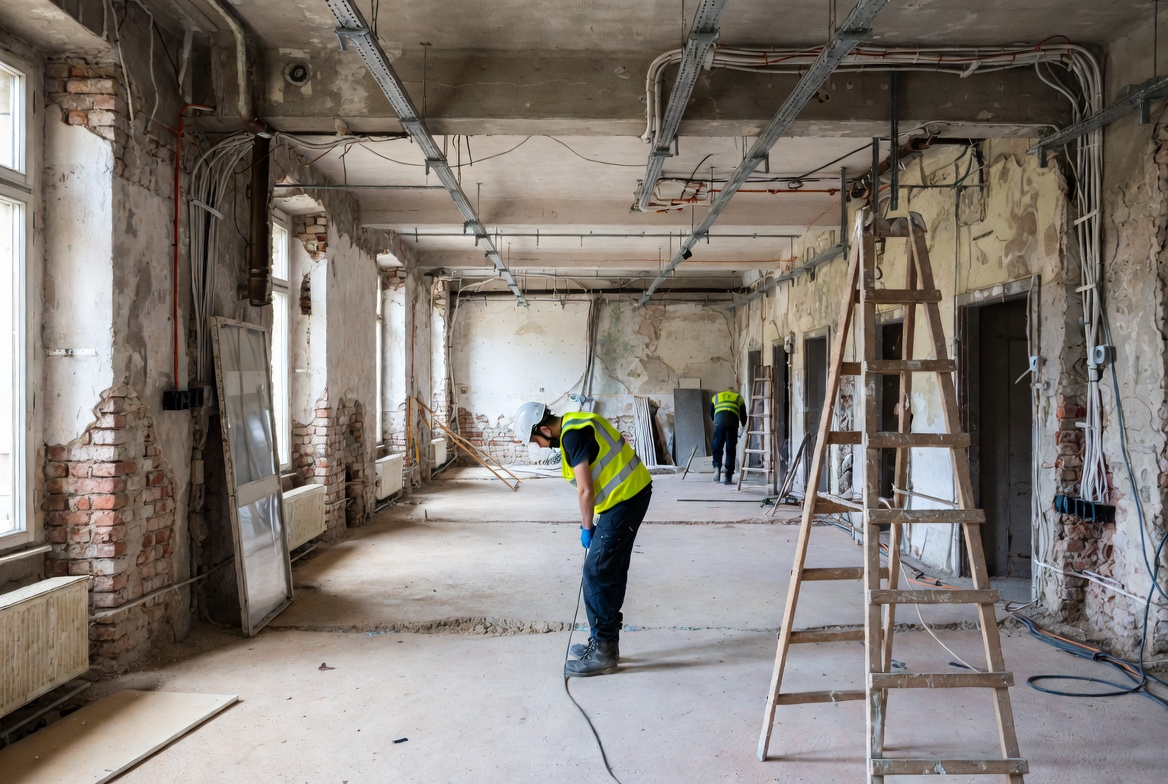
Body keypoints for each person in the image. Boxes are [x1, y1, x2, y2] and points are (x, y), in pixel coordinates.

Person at [512, 402, 653, 677]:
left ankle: (604, 649)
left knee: (596, 571)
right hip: (626, 496)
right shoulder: (575, 424)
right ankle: (604, 640)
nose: (538, 446)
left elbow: (585, 491)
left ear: (544, 429)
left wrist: (586, 527)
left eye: (535, 440)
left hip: (626, 499)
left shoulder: (572, 435)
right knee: (608, 569)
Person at [709, 388, 747, 485]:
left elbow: (711, 413)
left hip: (719, 422)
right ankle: (728, 475)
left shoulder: (716, 397)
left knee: (717, 447)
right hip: (732, 423)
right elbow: (743, 415)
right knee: (730, 449)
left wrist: (716, 422)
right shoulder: (738, 397)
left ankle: (717, 467)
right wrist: (743, 425)